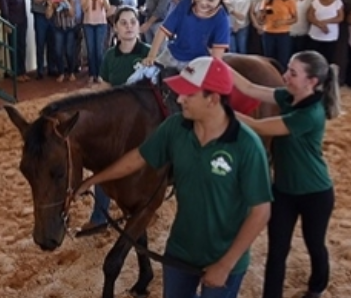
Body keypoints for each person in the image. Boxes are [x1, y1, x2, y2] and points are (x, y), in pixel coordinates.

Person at [73, 56, 273, 297]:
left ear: (213, 99)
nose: (179, 99)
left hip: (223, 258)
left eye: (189, 94)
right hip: (180, 251)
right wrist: (94, 180)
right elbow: (138, 157)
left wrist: (225, 265)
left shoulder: (247, 145)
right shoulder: (175, 127)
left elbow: (261, 212)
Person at [227, 50, 341, 298]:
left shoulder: (310, 114)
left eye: (292, 72)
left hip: (315, 193)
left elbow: (257, 126)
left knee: (314, 244)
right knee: (276, 251)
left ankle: (317, 287)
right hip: (283, 191)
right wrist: (216, 61)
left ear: (311, 82)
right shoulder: (289, 96)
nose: (284, 75)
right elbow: (248, 87)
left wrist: (220, 112)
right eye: (287, 68)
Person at [79, 6, 151, 234]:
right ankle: (100, 216)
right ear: (115, 28)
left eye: (133, 22)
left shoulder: (149, 52)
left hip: (143, 123)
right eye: (124, 23)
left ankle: (149, 203)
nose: (129, 27)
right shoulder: (110, 56)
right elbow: (105, 89)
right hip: (118, 124)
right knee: (102, 160)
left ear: (139, 26)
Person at [142, 0, 231, 71]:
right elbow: (163, 30)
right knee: (143, 74)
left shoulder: (222, 19)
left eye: (210, 0)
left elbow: (217, 57)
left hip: (197, 64)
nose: (203, 2)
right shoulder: (185, 4)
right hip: (172, 55)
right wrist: (152, 56)